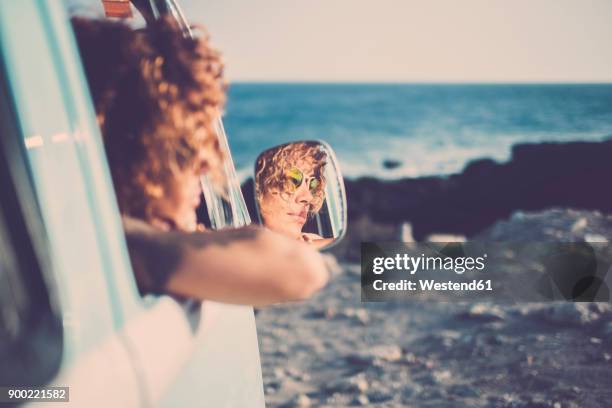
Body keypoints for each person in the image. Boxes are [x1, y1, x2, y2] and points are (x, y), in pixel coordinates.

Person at [71, 16, 329, 306]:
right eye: (187, 146)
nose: (206, 165)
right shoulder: (116, 245)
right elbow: (301, 270)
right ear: (129, 149)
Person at [255, 142, 334, 248]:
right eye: (293, 180)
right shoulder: (237, 246)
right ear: (258, 187)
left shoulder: (312, 240)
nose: (308, 197)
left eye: (312, 184)